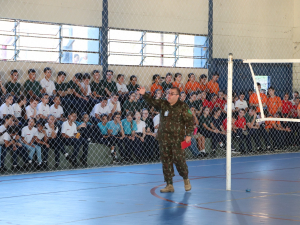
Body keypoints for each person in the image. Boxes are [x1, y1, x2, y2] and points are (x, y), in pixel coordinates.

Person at [138, 86, 193, 193]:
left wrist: (189, 134)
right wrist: (144, 94)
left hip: (177, 140)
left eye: (172, 93)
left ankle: (186, 179)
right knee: (166, 161)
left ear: (177, 96)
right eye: (168, 93)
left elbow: (190, 121)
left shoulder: (183, 106)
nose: (169, 95)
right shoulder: (163, 104)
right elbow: (152, 101)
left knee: (179, 160)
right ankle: (169, 184)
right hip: (164, 139)